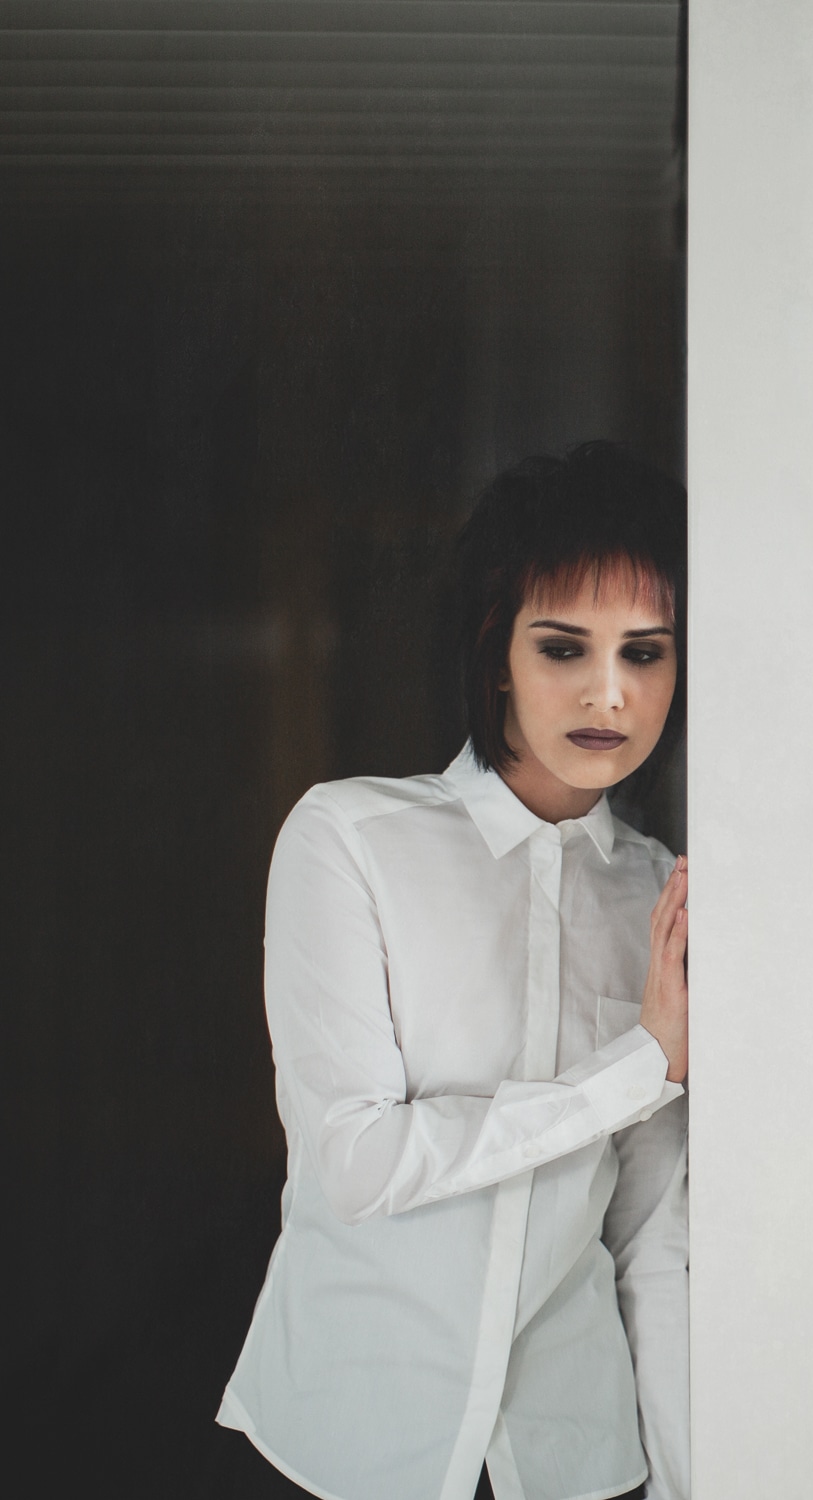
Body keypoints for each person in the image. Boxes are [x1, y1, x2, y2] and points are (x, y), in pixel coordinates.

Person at [218, 442, 691, 1500]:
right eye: (563, 647)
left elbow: (652, 1235)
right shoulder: (348, 839)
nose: (609, 693)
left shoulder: (658, 894)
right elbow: (358, 1161)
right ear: (497, 653)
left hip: (579, 1461)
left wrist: (683, 1480)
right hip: (341, 1449)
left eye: (646, 652)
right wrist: (637, 1069)